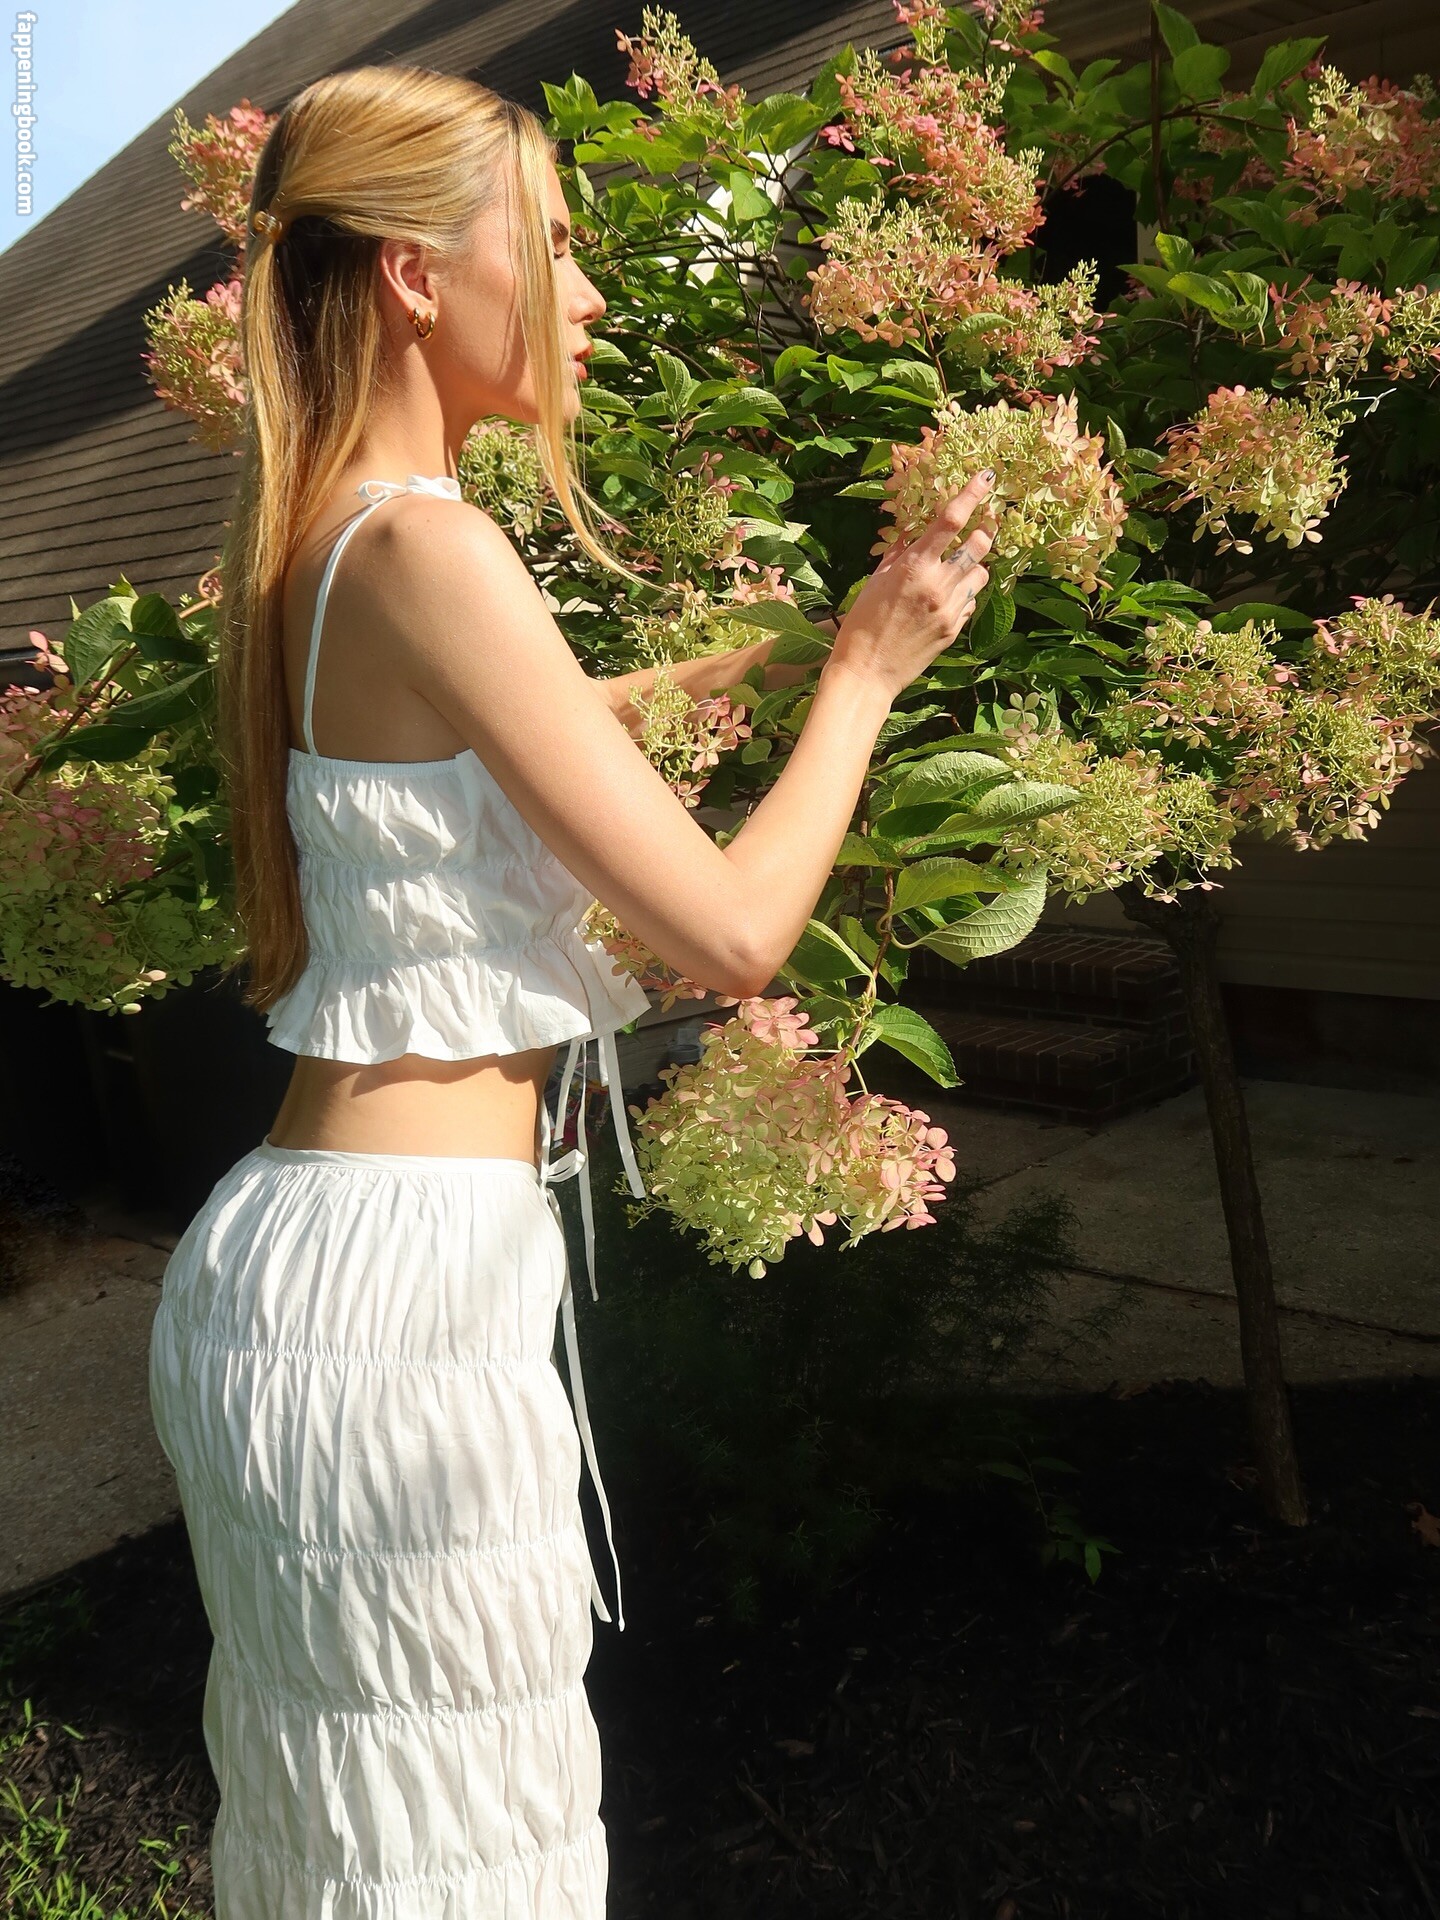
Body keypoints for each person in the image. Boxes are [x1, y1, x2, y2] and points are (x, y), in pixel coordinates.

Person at [147, 61, 996, 1920]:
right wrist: (868, 672)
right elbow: (734, 937)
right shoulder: (431, 544)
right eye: (548, 243)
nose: (591, 294)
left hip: (318, 1264)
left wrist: (699, 684)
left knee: (368, 1844)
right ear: (413, 276)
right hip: (397, 1301)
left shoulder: (325, 538)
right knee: (455, 1860)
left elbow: (462, 766)